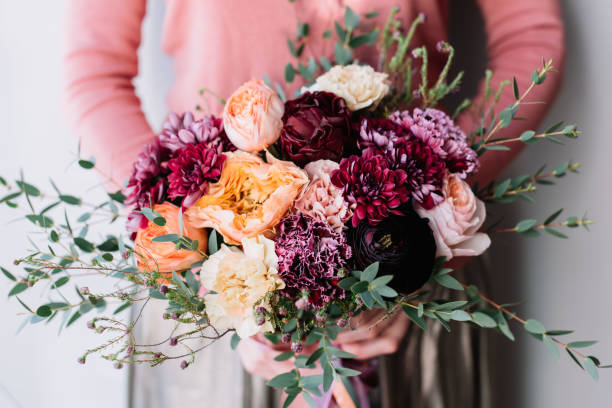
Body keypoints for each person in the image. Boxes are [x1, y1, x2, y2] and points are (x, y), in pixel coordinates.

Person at [63, 1, 564, 407]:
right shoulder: (204, 269)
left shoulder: (424, 247)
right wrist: (203, 259)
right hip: (208, 290)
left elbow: (531, 37)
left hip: (414, 274)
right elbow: (94, 70)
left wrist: (437, 214)